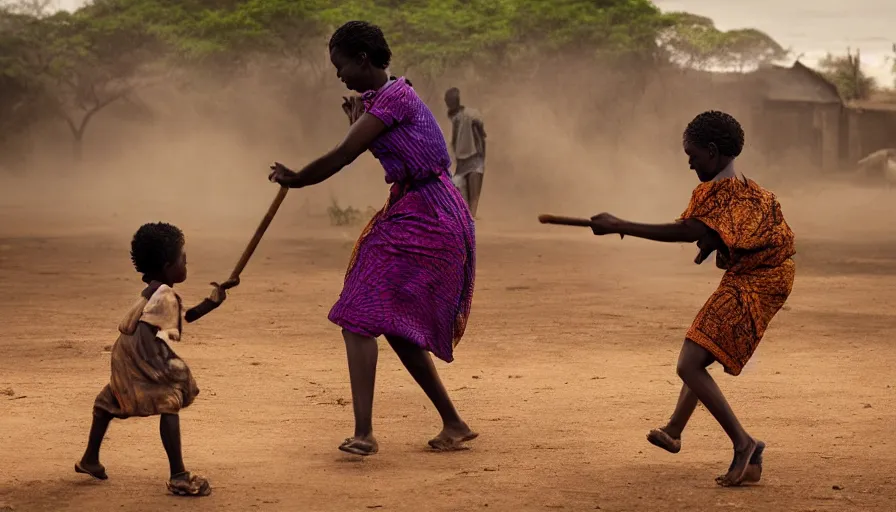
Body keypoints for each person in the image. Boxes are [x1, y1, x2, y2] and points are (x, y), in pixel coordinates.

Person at [268, 21, 477, 456]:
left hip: (428, 216)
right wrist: (358, 119)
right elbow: (371, 141)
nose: (338, 74)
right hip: (419, 210)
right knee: (393, 325)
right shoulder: (382, 100)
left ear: (362, 59)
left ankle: (364, 434)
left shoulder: (395, 97)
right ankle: (453, 423)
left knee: (359, 313)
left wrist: (299, 178)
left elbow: (346, 153)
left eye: (340, 64)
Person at [587, 111, 795, 486]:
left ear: (712, 152)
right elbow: (736, 231)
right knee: (702, 345)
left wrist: (620, 226)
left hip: (754, 282)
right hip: (768, 277)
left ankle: (744, 443)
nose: (689, 163)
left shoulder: (717, 192)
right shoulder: (748, 188)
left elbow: (686, 230)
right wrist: (714, 245)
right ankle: (675, 429)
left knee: (689, 363)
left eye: (693, 155)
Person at [75, 222, 237, 496]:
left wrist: (213, 301)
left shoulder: (154, 289)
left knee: (109, 399)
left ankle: (91, 458)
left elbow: (177, 318)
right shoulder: (165, 295)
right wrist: (163, 368)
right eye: (182, 260)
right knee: (169, 400)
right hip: (141, 353)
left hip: (124, 352)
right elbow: (177, 324)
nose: (186, 264)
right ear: (166, 265)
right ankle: (179, 476)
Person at [445, 87, 486, 218]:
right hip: (465, 162)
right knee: (467, 199)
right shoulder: (463, 116)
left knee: (471, 199)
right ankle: (469, 219)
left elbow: (480, 131)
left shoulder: (469, 115)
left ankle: (471, 221)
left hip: (473, 159)